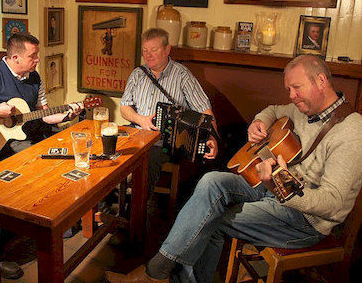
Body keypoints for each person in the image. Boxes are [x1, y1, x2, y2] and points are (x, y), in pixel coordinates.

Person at [105, 55, 362, 283]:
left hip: (304, 220)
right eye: (289, 89)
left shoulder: (351, 132)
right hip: (272, 190)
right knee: (212, 181)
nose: (291, 96)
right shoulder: (304, 108)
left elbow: (332, 202)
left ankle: (158, 272)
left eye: (296, 88)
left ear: (320, 81)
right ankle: (160, 273)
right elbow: (272, 110)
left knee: (212, 220)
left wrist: (281, 186)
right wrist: (259, 122)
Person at [120, 28, 218, 195]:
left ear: (167, 50)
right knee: (108, 148)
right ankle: (108, 202)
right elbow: (124, 107)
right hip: (136, 133)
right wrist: (141, 119)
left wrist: (212, 137)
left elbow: (204, 110)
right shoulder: (137, 74)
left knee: (148, 159)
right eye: (145, 51)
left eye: (154, 50)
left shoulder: (182, 75)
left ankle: (135, 212)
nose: (148, 55)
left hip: (165, 141)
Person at [0, 33, 82, 157]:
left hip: (34, 133)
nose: (38, 59)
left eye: (37, 54)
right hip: (4, 141)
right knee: (38, 157)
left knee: (69, 145)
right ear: (15, 58)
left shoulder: (34, 76)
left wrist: (67, 116)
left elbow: (44, 113)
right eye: (32, 56)